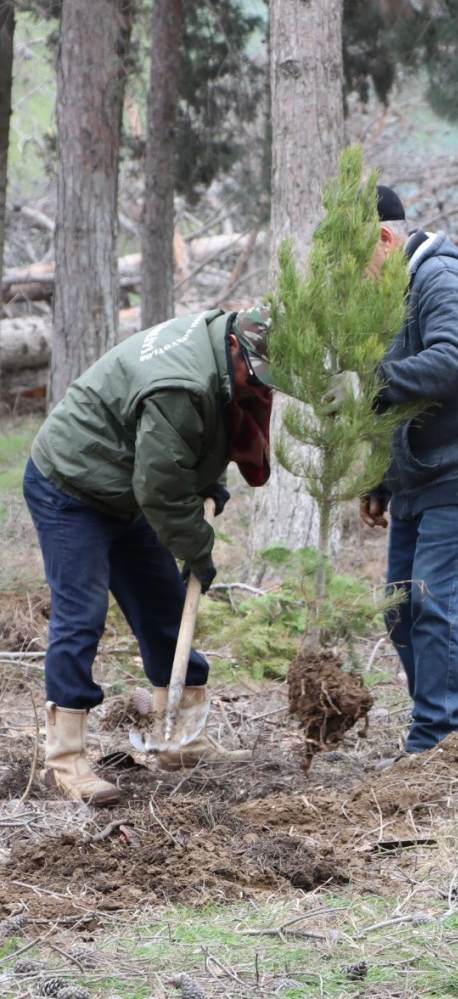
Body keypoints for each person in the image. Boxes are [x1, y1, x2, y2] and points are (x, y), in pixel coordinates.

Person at [23, 306, 276, 806]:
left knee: (162, 605)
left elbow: (198, 438)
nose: (261, 386)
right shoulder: (180, 383)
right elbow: (160, 488)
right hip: (71, 486)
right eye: (257, 374)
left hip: (124, 487)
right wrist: (198, 550)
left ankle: (181, 741)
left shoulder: (221, 352)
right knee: (82, 615)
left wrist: (208, 484)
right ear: (235, 348)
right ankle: (66, 761)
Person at [359, 186, 458, 756]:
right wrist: (381, 477)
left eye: (355, 258)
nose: (353, 276)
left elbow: (451, 362)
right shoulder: (393, 288)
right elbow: (405, 395)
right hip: (420, 475)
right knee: (402, 611)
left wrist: (367, 384)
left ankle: (440, 741)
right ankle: (439, 724)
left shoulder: (441, 279)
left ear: (384, 237)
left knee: (434, 603)